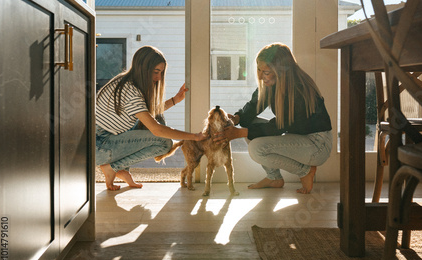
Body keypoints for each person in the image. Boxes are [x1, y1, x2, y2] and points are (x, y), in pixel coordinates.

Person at [216, 43, 333, 194]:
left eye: (265, 71)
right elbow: (254, 106)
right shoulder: (272, 84)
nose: (259, 76)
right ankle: (274, 178)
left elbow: (278, 126)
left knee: (256, 148)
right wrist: (236, 119)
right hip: (299, 138)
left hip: (317, 144)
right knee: (250, 126)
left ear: (281, 71)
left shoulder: (298, 89)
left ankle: (305, 171)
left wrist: (239, 133)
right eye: (258, 69)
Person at [96, 45, 206, 190]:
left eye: (161, 73)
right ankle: (113, 167)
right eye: (156, 72)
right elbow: (157, 130)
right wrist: (195, 136)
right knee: (164, 143)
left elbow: (149, 113)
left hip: (104, 138)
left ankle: (119, 169)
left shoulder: (125, 81)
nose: (159, 78)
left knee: (157, 118)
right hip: (101, 146)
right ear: (143, 69)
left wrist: (175, 99)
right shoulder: (132, 92)